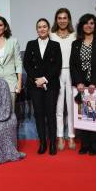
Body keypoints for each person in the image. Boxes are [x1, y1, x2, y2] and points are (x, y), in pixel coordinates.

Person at [70, 14, 96, 156]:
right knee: (84, 116)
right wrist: (78, 82)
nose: (88, 25)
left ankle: (94, 145)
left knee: (95, 116)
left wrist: (94, 83)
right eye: (86, 23)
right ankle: (85, 144)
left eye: (92, 23)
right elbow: (73, 65)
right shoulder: (76, 44)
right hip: (82, 85)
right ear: (81, 26)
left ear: (95, 26)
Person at [24, 18, 62, 155]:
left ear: (48, 28)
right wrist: (37, 79)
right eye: (39, 27)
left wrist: (44, 79)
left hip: (51, 85)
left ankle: (52, 143)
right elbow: (27, 64)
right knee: (39, 114)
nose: (42, 29)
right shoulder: (30, 44)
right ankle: (42, 143)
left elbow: (57, 66)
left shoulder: (55, 45)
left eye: (44, 26)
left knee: (51, 114)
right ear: (37, 29)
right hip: (34, 85)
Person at [50, 8, 77, 150]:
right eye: (59, 18)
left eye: (65, 18)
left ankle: (71, 137)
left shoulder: (75, 35)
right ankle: (60, 137)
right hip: (57, 74)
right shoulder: (51, 35)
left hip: (72, 74)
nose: (62, 20)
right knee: (59, 108)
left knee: (72, 107)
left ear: (69, 19)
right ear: (56, 20)